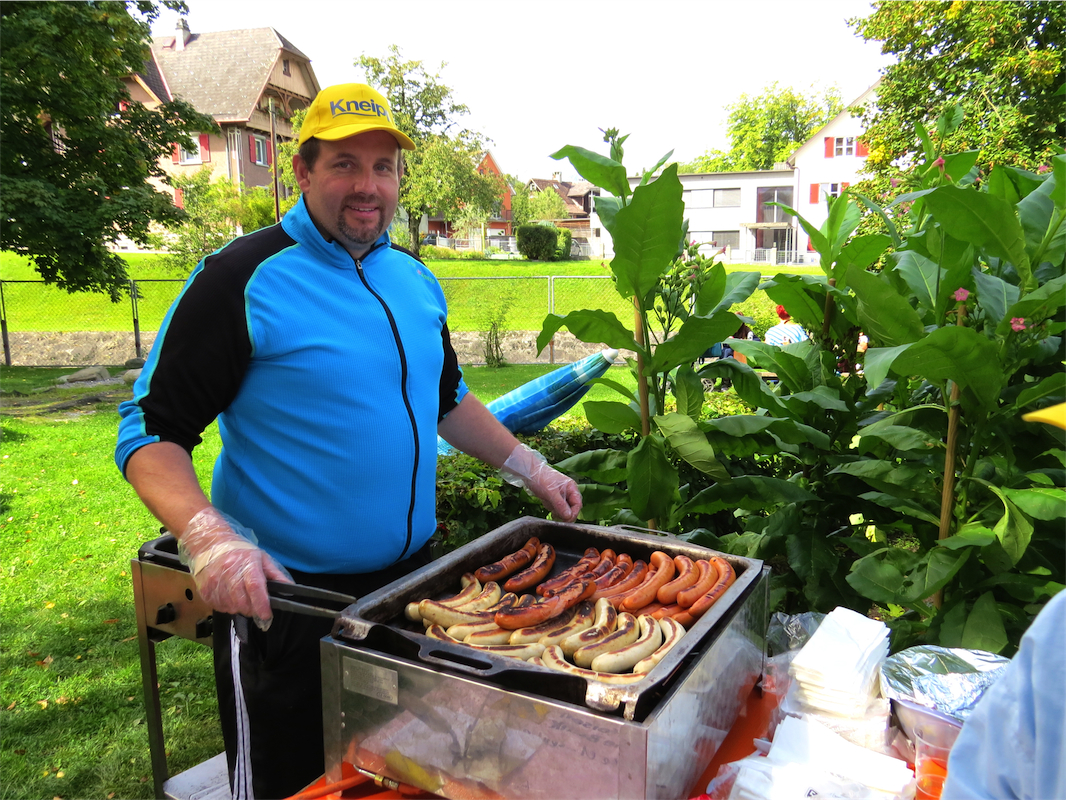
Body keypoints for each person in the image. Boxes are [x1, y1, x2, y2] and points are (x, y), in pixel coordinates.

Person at [115, 82, 582, 800]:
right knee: (292, 785)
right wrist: (209, 537)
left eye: (382, 168)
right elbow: (150, 430)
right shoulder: (243, 277)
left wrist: (530, 466)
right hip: (288, 604)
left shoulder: (414, 279)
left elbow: (446, 399)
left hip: (410, 593)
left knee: (398, 778)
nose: (368, 186)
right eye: (344, 165)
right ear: (302, 172)